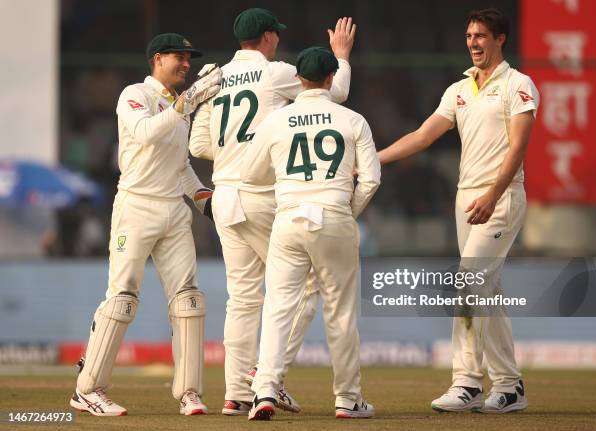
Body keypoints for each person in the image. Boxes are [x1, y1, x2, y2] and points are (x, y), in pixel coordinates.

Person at [189, 8, 356, 416]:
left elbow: (197, 146)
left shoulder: (217, 75)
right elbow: (335, 96)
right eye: (275, 35)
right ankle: (268, 377)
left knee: (243, 298)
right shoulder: (277, 72)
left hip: (224, 196)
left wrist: (232, 150)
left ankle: (234, 393)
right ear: (266, 38)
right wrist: (342, 56)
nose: (277, 40)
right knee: (306, 285)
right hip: (262, 195)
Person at [377, 8, 539, 413]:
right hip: (466, 198)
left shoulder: (518, 84)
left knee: (469, 283)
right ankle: (509, 386)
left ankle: (466, 382)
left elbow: (518, 148)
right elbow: (421, 136)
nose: (473, 43)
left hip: (500, 198)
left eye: (481, 35)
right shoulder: (459, 89)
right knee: (489, 291)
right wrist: (374, 158)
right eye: (469, 36)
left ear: (500, 39)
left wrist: (492, 195)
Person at [69, 33, 222, 416]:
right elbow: (144, 133)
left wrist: (204, 200)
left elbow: (180, 165)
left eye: (190, 59)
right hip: (136, 208)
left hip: (174, 211)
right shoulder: (134, 94)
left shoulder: (176, 105)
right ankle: (88, 389)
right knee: (122, 298)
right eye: (179, 57)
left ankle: (189, 392)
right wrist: (188, 103)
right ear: (157, 59)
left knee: (189, 299)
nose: (186, 64)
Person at [242, 46, 380, 420]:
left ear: (298, 79)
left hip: (289, 218)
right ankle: (348, 399)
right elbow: (370, 180)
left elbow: (253, 175)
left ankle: (265, 390)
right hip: (334, 216)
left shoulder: (277, 120)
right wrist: (345, 212)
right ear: (332, 78)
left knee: (278, 308)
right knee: (341, 313)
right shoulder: (353, 120)